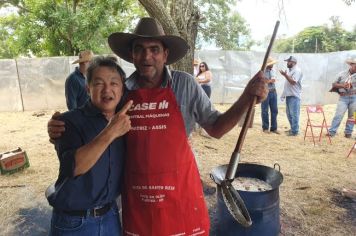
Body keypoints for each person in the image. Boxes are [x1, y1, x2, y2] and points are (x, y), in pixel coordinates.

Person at [48, 17, 268, 236]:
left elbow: (217, 128)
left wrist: (246, 97)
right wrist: (61, 124)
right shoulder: (122, 91)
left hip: (181, 195)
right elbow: (96, 114)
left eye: (154, 49)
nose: (147, 56)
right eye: (139, 49)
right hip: (138, 201)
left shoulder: (185, 84)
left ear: (166, 54)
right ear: (132, 55)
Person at [48, 56, 132, 236]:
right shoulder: (67, 122)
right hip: (74, 222)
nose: (107, 89)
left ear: (122, 88)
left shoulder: (125, 118)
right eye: (99, 83)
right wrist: (111, 132)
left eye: (114, 83)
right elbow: (74, 167)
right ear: (88, 88)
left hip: (110, 216)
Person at [327, 57, 356, 138]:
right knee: (338, 115)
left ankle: (348, 133)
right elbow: (334, 84)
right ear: (351, 65)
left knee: (352, 116)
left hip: (354, 97)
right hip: (343, 97)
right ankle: (332, 131)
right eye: (355, 66)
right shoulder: (342, 74)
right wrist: (343, 85)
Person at [280, 56, 303, 136]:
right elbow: (287, 84)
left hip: (294, 96)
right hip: (289, 95)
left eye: (289, 62)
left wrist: (285, 75)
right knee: (289, 114)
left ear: (293, 62)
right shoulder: (291, 71)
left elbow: (293, 82)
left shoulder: (297, 70)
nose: (287, 63)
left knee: (294, 114)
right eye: (287, 62)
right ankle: (293, 129)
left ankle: (295, 131)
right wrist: (283, 95)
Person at [261, 57, 279, 134]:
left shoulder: (273, 70)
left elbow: (273, 79)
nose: (273, 65)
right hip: (265, 92)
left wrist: (272, 80)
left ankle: (274, 128)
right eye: (271, 64)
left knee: (274, 110)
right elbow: (261, 81)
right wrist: (270, 81)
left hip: (273, 91)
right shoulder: (262, 71)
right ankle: (265, 128)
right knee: (265, 110)